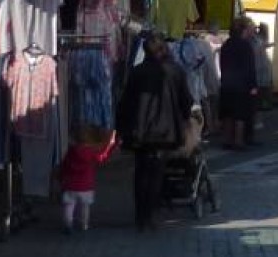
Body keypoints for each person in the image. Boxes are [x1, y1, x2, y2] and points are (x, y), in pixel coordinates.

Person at [120, 35, 195, 232]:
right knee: (156, 173)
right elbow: (185, 100)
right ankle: (149, 215)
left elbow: (126, 101)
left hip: (141, 130)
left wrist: (122, 127)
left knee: (141, 172)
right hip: (165, 130)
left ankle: (140, 215)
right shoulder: (175, 71)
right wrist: (186, 120)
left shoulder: (137, 72)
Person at [59, 126, 120, 234]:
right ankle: (84, 224)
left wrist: (61, 177)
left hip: (70, 185)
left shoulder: (70, 152)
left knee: (69, 205)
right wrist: (112, 146)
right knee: (85, 207)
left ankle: (68, 224)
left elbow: (64, 166)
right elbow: (102, 157)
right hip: (86, 186)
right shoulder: (91, 153)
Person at [218, 19, 258, 150]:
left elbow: (222, 64)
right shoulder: (245, 45)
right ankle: (238, 141)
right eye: (249, 29)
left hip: (226, 82)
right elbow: (250, 67)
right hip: (241, 84)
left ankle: (227, 140)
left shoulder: (226, 44)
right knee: (240, 114)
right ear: (243, 30)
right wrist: (253, 85)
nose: (251, 31)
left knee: (228, 113)